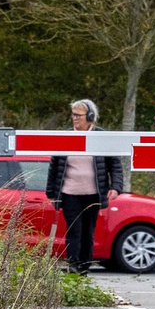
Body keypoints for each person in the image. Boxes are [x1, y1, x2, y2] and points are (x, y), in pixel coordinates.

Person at [53, 98, 123, 272]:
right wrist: (52, 193)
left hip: (93, 194)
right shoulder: (65, 136)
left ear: (90, 117)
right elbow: (54, 167)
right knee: (74, 230)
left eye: (79, 115)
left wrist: (115, 187)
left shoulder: (102, 137)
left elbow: (115, 165)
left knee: (88, 232)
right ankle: (73, 265)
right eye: (73, 115)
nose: (75, 118)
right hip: (70, 193)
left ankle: (84, 267)